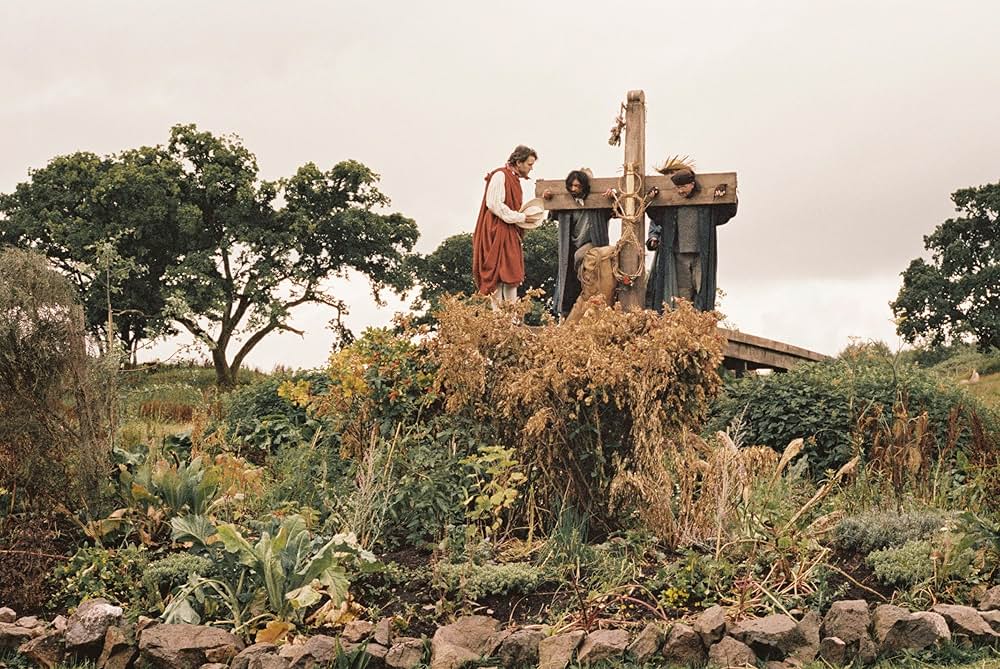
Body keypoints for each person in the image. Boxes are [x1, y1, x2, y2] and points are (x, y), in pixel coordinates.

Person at [645, 165, 737, 313]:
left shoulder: (706, 206)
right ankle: (683, 321)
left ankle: (700, 321)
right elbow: (656, 217)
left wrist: (725, 192)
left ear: (692, 184)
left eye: (683, 187)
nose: (680, 191)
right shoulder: (670, 206)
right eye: (677, 187)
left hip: (701, 253)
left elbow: (726, 214)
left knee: (701, 288)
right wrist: (651, 200)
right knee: (683, 293)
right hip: (678, 254)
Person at [544, 169, 615, 319]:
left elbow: (614, 210)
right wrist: (549, 200)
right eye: (571, 186)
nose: (574, 189)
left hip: (593, 243)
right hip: (572, 244)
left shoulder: (598, 201)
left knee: (581, 258)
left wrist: (612, 196)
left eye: (577, 186)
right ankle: (568, 313)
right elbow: (553, 215)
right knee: (569, 282)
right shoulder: (568, 203)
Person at [472, 145, 537, 306]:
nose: (531, 168)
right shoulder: (500, 175)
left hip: (509, 229)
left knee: (511, 274)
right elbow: (494, 204)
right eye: (529, 164)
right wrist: (520, 217)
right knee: (498, 274)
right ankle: (498, 319)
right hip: (496, 229)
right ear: (519, 162)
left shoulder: (514, 179)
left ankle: (511, 319)